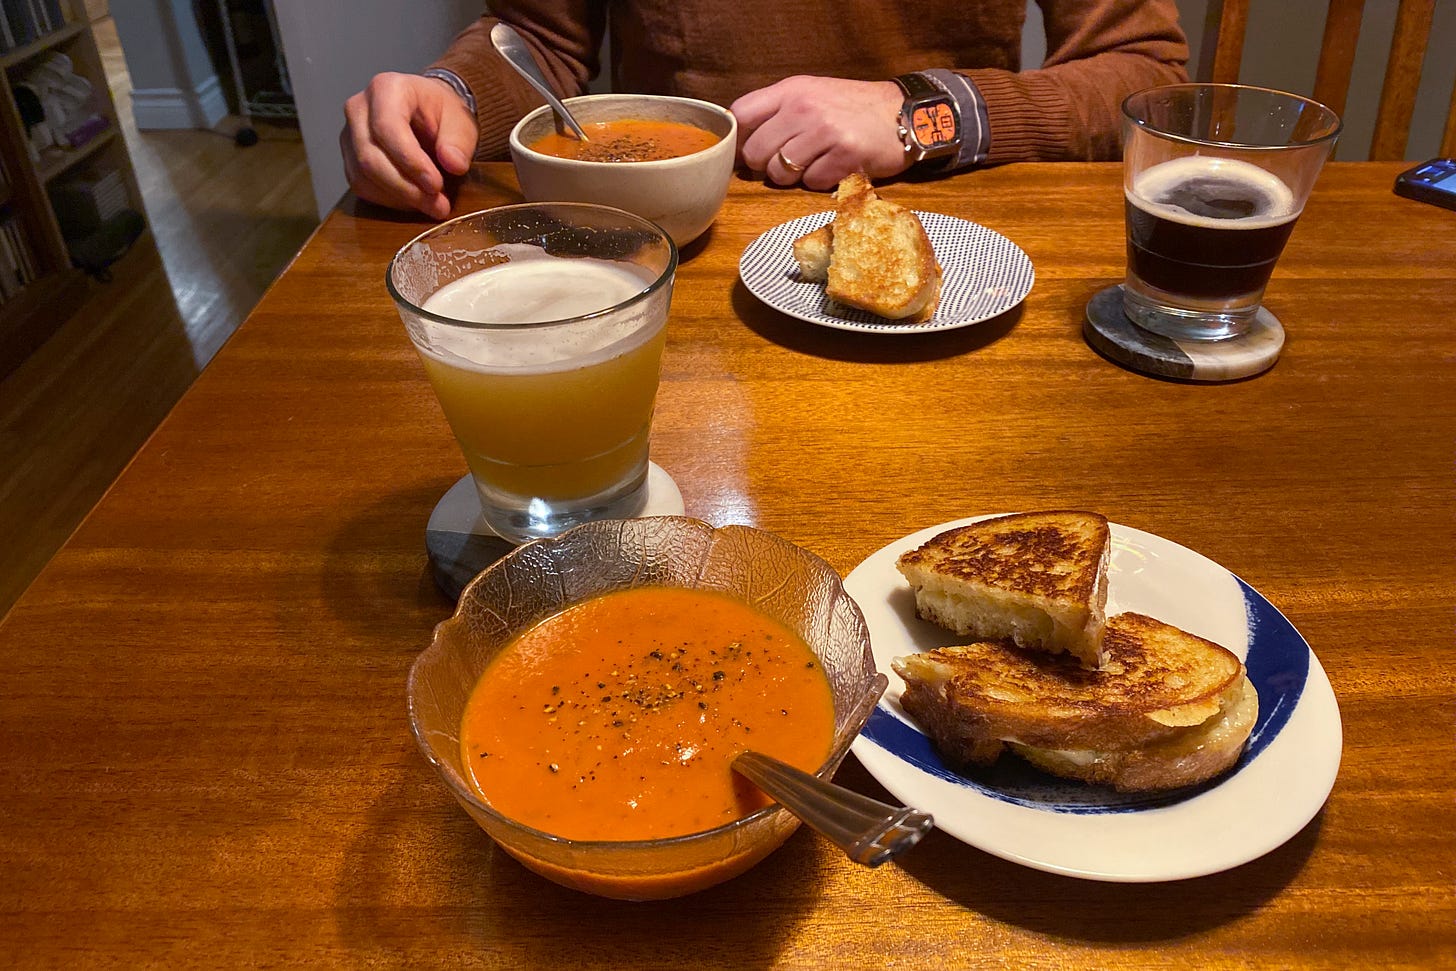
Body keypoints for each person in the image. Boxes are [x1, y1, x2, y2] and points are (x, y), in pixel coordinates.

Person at [341, 0, 1188, 219]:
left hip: (963, 244)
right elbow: (542, 38)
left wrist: (919, 115)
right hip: (661, 259)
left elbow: (1143, 76)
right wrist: (446, 96)